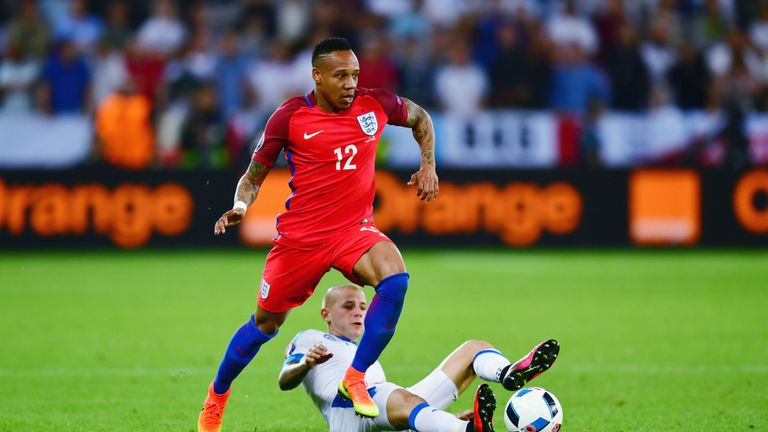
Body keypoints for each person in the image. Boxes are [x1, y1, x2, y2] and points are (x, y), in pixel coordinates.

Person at [197, 37, 439, 432]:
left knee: (395, 278)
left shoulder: (374, 103)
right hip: (301, 240)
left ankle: (356, 376)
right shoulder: (289, 117)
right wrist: (241, 206)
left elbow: (421, 118)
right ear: (317, 76)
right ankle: (216, 398)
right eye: (341, 76)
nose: (350, 84)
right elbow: (252, 177)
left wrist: (428, 165)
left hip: (352, 231)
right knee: (264, 326)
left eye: (355, 75)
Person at [278, 284, 560, 432]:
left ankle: (508, 374)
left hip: (376, 408)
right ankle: (465, 430)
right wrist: (306, 363)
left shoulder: (366, 352)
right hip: (348, 408)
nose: (358, 312)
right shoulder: (311, 338)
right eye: (348, 306)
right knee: (402, 398)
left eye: (363, 307)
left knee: (473, 348)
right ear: (325, 314)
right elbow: (284, 381)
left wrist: (440, 420)